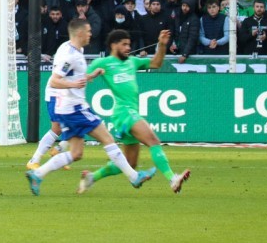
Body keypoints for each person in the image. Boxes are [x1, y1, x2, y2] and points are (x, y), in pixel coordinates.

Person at [25, 18, 155, 196]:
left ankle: (37, 174)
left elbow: (74, 76)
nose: (90, 34)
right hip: (75, 108)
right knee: (108, 139)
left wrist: (91, 75)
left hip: (66, 108)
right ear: (79, 33)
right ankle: (134, 177)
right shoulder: (71, 55)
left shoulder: (70, 48)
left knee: (76, 153)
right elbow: (55, 80)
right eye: (88, 31)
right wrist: (72, 85)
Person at [80, 29, 191, 194]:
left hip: (131, 112)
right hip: (123, 113)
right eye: (123, 44)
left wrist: (161, 44)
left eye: (129, 44)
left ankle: (92, 178)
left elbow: (156, 63)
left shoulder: (132, 61)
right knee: (153, 140)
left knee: (130, 164)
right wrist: (92, 75)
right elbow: (80, 78)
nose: (127, 47)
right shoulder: (103, 62)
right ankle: (172, 178)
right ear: (113, 45)